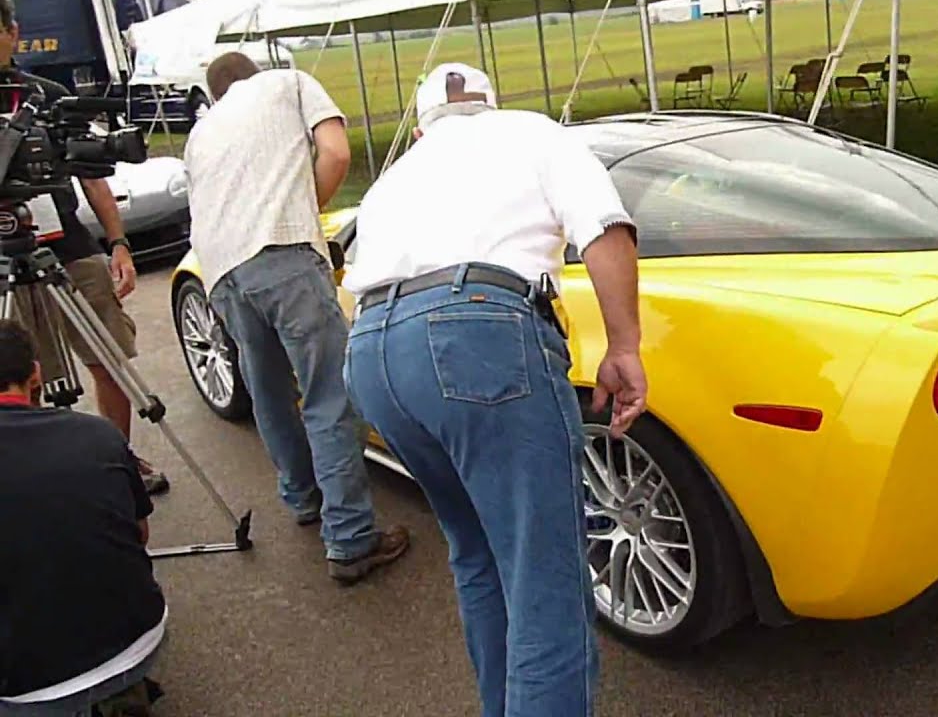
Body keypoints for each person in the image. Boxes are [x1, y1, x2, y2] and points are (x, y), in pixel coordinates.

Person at [341, 63, 648, 717]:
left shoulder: (394, 178)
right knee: (547, 579)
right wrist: (624, 347)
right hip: (478, 330)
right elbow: (605, 230)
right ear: (491, 103)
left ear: (423, 128)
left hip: (372, 350)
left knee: (477, 554)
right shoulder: (533, 132)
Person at [182, 52, 409, 583]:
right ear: (255, 74)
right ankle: (351, 538)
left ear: (217, 95)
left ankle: (304, 499)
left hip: (220, 274)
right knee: (329, 394)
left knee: (269, 391)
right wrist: (305, 217)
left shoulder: (200, 132)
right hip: (282, 253)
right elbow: (333, 152)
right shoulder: (289, 83)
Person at [0, 0, 169, 495]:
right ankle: (39, 475)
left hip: (69, 246)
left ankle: (113, 459)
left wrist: (118, 243)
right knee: (18, 375)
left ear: (14, 32)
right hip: (4, 255)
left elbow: (92, 175)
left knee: (109, 356)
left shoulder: (47, 95)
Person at [0, 319, 167, 717]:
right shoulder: (99, 433)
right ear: (36, 374)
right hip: (140, 639)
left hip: (25, 686)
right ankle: (120, 690)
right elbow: (138, 533)